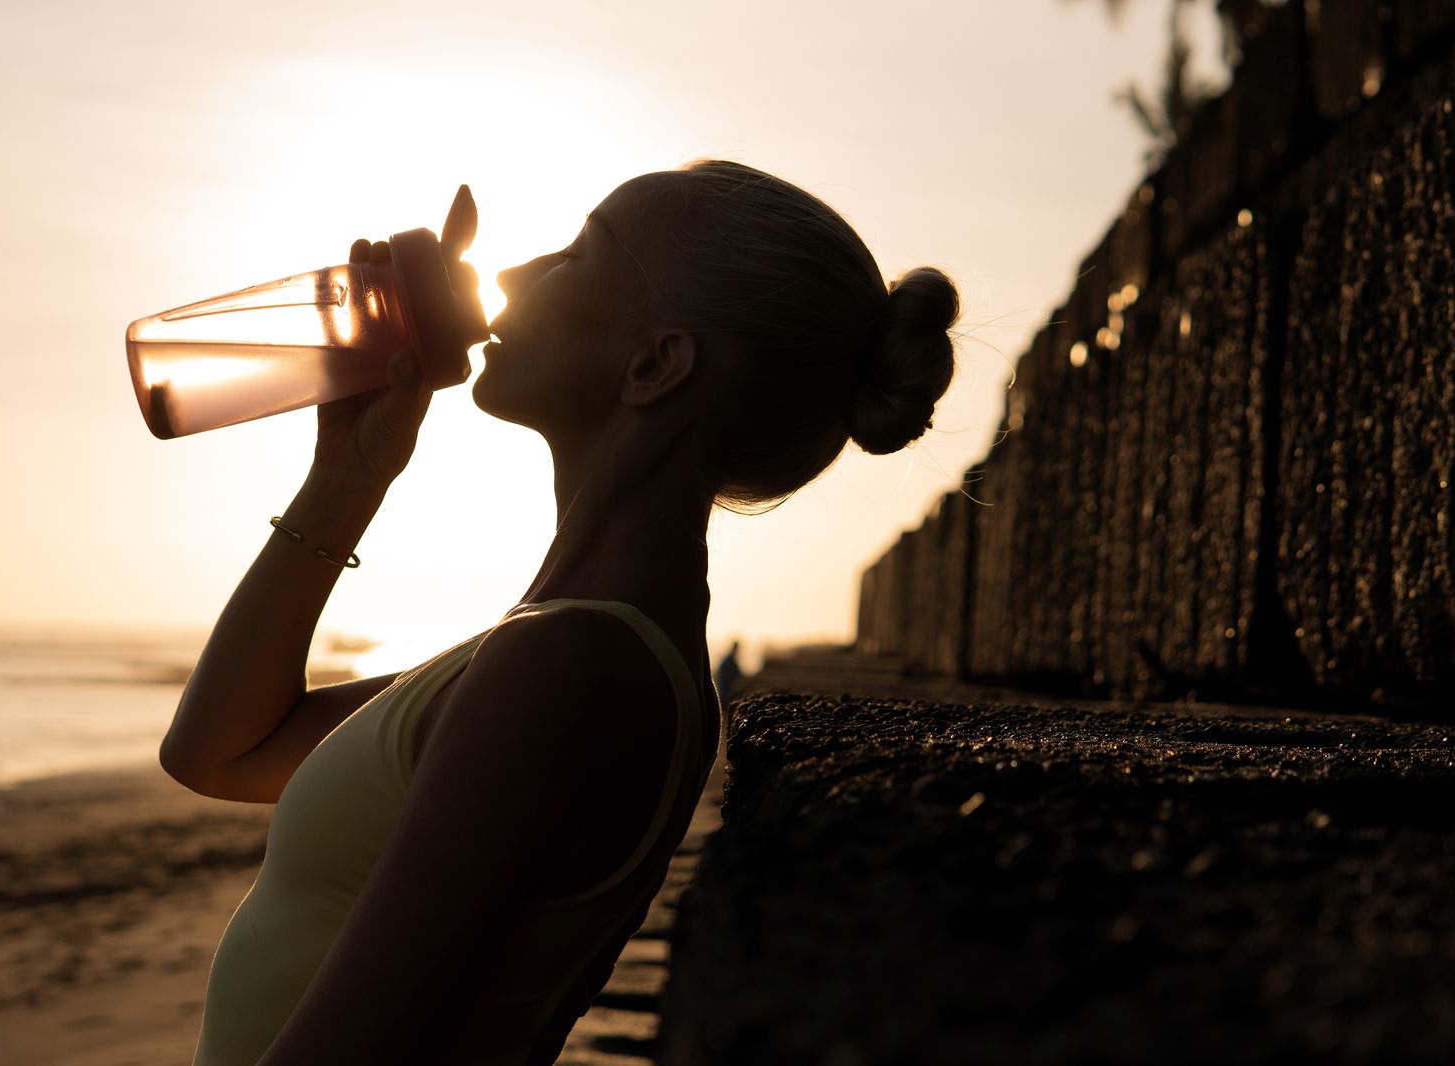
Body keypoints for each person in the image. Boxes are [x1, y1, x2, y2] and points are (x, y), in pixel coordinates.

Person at [159, 159, 961, 1065]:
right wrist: (347, 475)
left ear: (655, 364)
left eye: (578, 253)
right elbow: (221, 752)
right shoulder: (560, 640)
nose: (510, 274)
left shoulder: (568, 667)